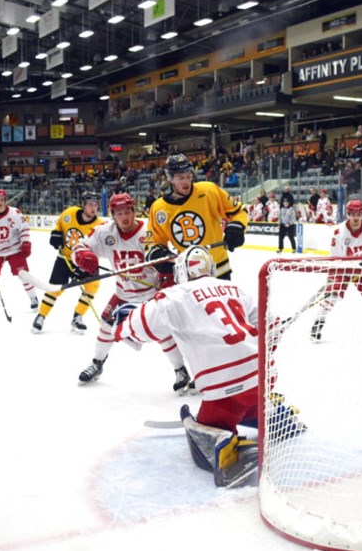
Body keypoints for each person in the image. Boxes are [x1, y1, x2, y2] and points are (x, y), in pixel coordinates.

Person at [110, 246, 302, 487]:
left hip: (226, 388)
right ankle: (273, 415)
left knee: (204, 430)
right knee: (252, 397)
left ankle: (226, 447)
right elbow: (269, 326)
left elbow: (140, 326)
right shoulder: (236, 288)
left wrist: (121, 325)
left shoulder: (174, 296)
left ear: (181, 271)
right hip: (263, 375)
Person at [69, 192, 193, 391]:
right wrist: (82, 256)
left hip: (150, 293)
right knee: (106, 326)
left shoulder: (148, 231)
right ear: (112, 214)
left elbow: (169, 259)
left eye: (127, 211)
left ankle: (180, 370)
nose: (124, 217)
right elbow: (79, 247)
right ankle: (97, 363)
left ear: (134, 211)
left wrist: (167, 273)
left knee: (162, 331)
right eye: (119, 213)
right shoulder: (104, 232)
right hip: (123, 293)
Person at [144, 153, 247, 281]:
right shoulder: (159, 208)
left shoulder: (209, 191)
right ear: (170, 179)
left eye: (188, 176)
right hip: (187, 275)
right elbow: (152, 241)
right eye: (180, 177)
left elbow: (238, 211)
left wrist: (236, 227)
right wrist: (158, 254)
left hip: (219, 270)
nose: (186, 181)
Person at [311, 199, 362, 342]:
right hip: (342, 268)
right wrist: (338, 276)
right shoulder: (339, 232)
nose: (356, 218)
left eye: (359, 214)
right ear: (347, 215)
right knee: (332, 297)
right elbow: (335, 258)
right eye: (352, 214)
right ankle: (318, 323)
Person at [32, 191, 104, 334]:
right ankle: (41, 316)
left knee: (92, 286)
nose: (93, 208)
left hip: (86, 262)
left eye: (95, 205)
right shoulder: (69, 213)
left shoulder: (100, 226)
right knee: (55, 289)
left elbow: (100, 248)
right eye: (90, 204)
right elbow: (59, 226)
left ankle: (78, 317)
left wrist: (86, 266)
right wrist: (56, 235)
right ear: (83, 205)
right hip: (64, 258)